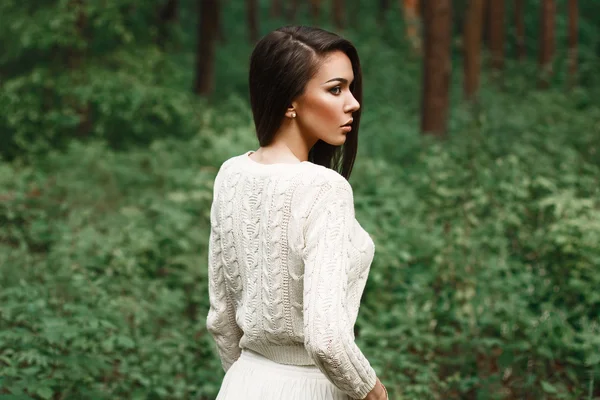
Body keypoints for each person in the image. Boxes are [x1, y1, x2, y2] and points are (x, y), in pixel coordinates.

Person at [206, 25, 388, 400]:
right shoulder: (324, 189)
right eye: (336, 89)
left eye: (350, 88)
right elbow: (326, 339)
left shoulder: (231, 175)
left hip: (241, 383)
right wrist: (374, 392)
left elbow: (221, 320)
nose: (353, 102)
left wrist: (249, 380)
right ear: (290, 101)